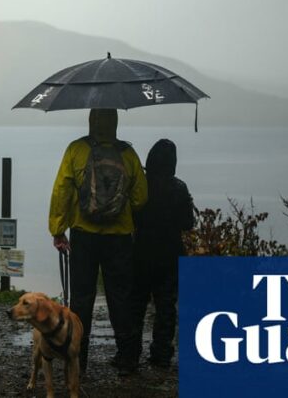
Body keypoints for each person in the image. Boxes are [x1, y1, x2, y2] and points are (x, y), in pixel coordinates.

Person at [49, 108, 148, 375]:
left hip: (84, 235)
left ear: (91, 120)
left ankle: (77, 361)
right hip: (119, 238)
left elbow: (62, 191)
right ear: (115, 121)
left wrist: (58, 230)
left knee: (81, 299)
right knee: (121, 297)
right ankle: (128, 359)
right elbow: (140, 198)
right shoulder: (128, 154)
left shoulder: (76, 150)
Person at [131, 138, 195, 368]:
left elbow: (132, 216)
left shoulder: (141, 186)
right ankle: (162, 354)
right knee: (166, 306)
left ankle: (131, 352)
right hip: (170, 255)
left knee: (136, 305)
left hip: (141, 253)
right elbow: (188, 222)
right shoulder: (179, 187)